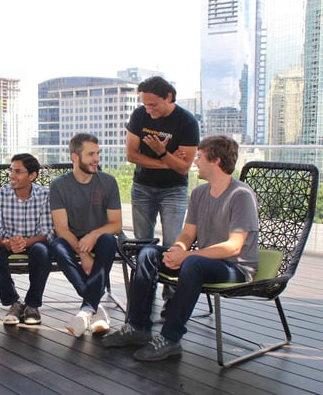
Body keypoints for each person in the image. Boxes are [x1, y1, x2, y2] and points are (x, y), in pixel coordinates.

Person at [103, 135, 259, 362]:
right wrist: (177, 250)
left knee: (193, 263)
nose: (195, 162)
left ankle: (170, 338)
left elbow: (234, 247)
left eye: (200, 157)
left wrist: (188, 256)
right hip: (203, 261)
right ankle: (137, 327)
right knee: (148, 253)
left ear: (216, 161)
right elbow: (187, 234)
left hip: (235, 268)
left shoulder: (241, 195)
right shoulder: (199, 193)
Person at [126, 76, 200, 315]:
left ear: (169, 97)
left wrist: (160, 152)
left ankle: (171, 298)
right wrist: (168, 160)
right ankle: (143, 295)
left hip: (174, 190)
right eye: (145, 104)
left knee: (172, 246)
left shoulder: (187, 122)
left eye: (153, 105)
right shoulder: (139, 116)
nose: (149, 110)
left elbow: (184, 168)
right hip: (142, 187)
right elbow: (132, 155)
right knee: (142, 245)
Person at [50, 133, 122, 337]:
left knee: (108, 240)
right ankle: (96, 308)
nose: (96, 159)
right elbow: (62, 229)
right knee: (57, 246)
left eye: (98, 153)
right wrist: (82, 254)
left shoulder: (108, 182)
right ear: (75, 157)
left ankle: (86, 309)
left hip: (100, 240)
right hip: (71, 240)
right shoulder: (59, 185)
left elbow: (116, 225)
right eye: (91, 154)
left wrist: (93, 236)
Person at [0, 153, 53, 325]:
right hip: (5, 243)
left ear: (32, 175)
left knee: (43, 251)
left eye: (18, 171)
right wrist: (7, 243)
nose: (12, 175)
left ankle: (32, 305)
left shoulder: (45, 195)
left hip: (34, 242)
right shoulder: (0, 194)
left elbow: (47, 232)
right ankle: (14, 302)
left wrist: (25, 242)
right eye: (11, 170)